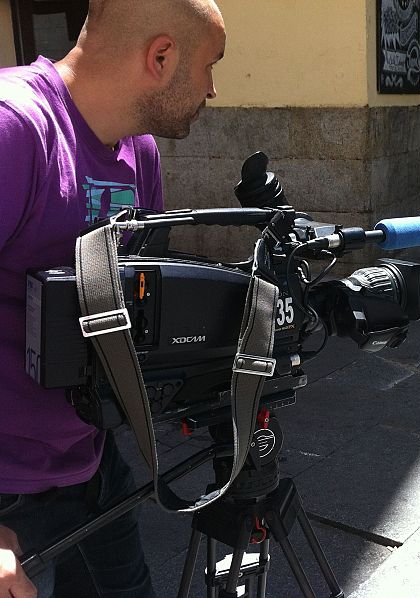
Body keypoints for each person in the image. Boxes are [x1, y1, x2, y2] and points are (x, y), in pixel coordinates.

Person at [0, 1, 226, 596]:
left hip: (92, 463)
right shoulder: (14, 128)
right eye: (209, 66)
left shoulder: (139, 152)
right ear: (161, 56)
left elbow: (135, 305)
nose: (213, 88)